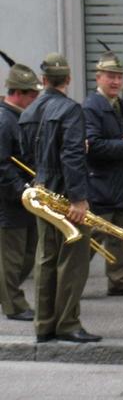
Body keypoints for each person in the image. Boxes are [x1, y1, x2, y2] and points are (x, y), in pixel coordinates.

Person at [19, 53, 101, 343]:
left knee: (46, 258)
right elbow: (72, 156)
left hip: (42, 191)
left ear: (43, 80)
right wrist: (78, 199)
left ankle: (44, 324)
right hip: (65, 194)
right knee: (73, 260)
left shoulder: (28, 112)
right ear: (68, 79)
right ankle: (67, 323)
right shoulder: (70, 110)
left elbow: (27, 155)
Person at [82, 48, 123, 296]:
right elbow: (92, 145)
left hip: (120, 179)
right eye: (110, 76)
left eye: (119, 76)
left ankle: (119, 280)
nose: (116, 81)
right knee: (94, 237)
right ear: (98, 77)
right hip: (99, 182)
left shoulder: (119, 104)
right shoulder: (92, 106)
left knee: (122, 233)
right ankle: (70, 282)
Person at [0, 57, 41, 321]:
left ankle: (7, 294)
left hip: (23, 197)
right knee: (13, 258)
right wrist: (23, 191)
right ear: (17, 93)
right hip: (10, 200)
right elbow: (1, 166)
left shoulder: (18, 117)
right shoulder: (5, 122)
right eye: (32, 94)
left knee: (28, 253)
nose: (35, 99)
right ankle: (14, 305)